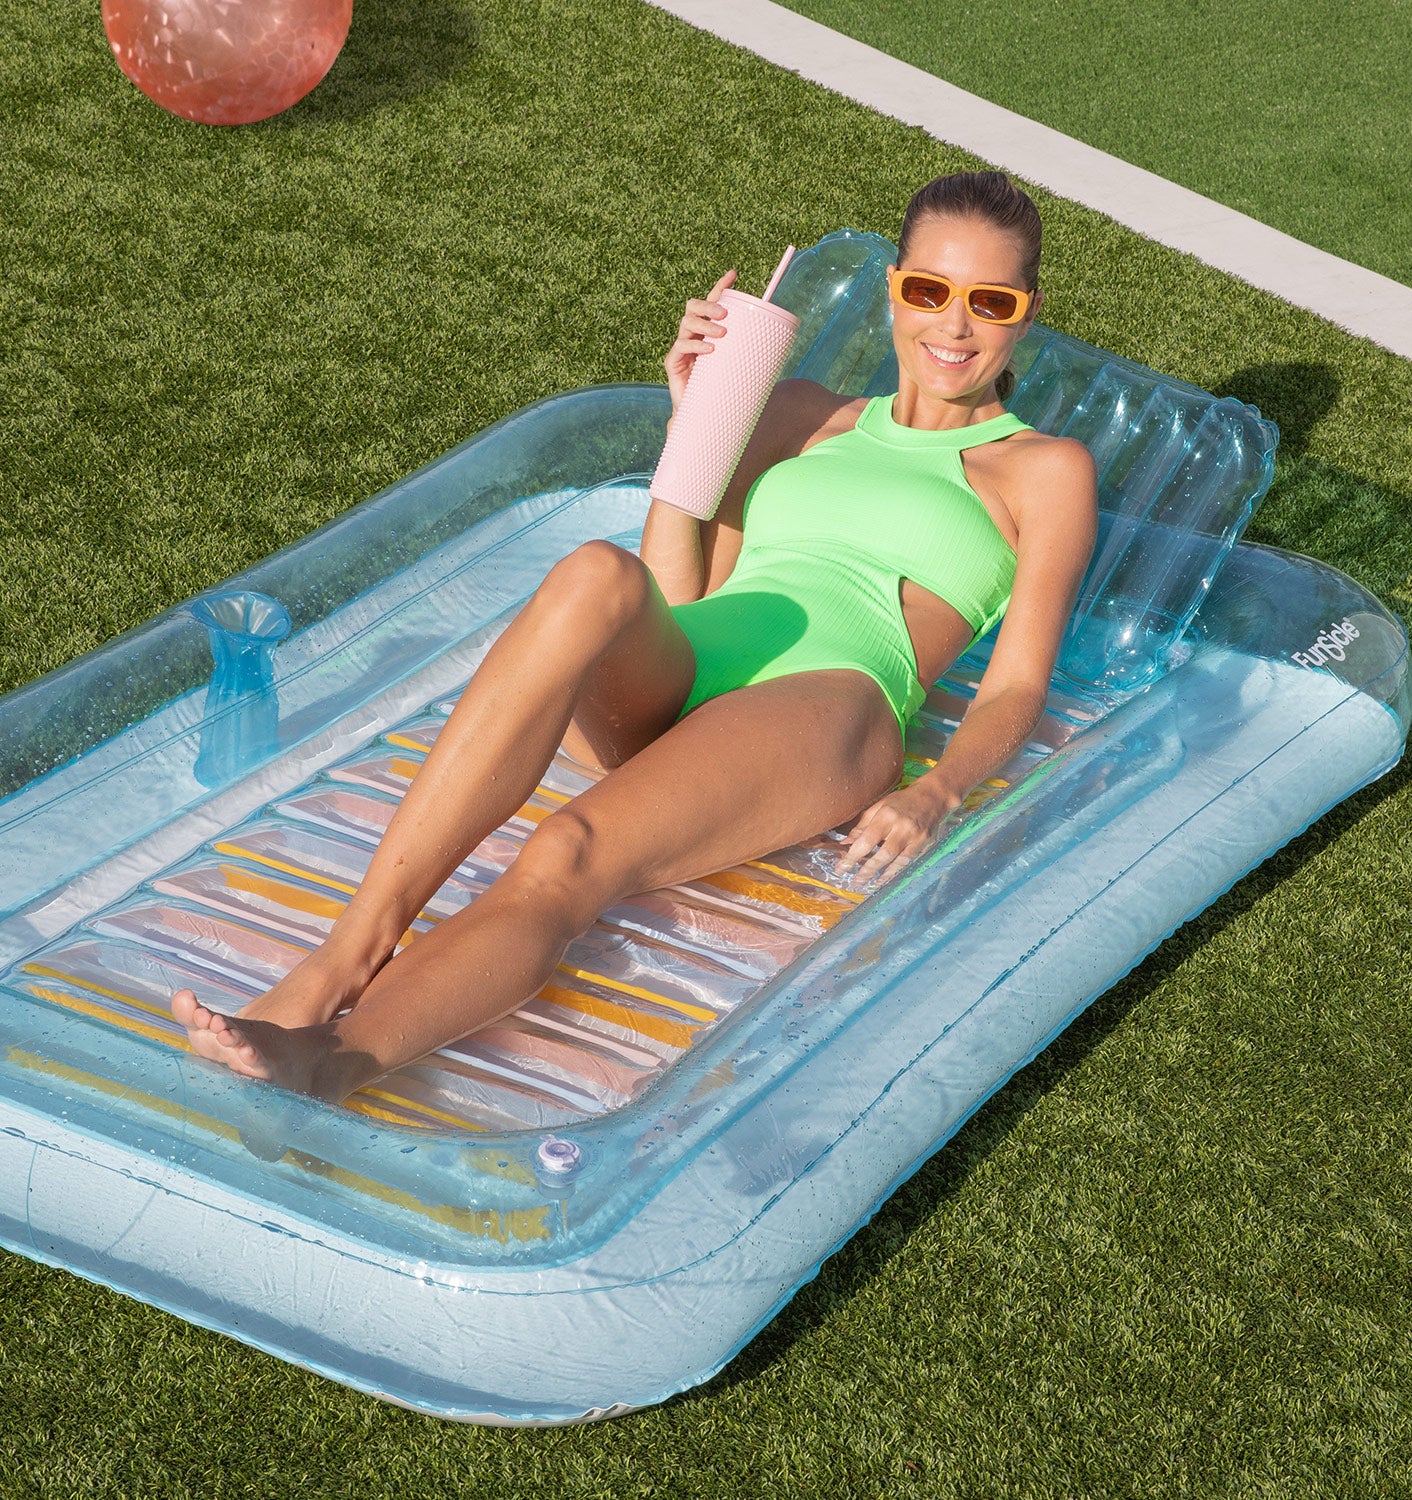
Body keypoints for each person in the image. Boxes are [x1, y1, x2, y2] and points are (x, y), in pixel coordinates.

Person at [170, 171, 1098, 1101]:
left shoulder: (1042, 470)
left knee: (565, 853)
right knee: (592, 572)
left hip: (829, 703)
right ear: (897, 287)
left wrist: (937, 790)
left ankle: (333, 1059)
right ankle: (338, 961)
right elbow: (680, 590)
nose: (954, 325)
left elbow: (1017, 684)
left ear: (1026, 314)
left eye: (991, 301)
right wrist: (696, 423)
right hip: (695, 659)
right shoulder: (804, 412)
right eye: (930, 290)